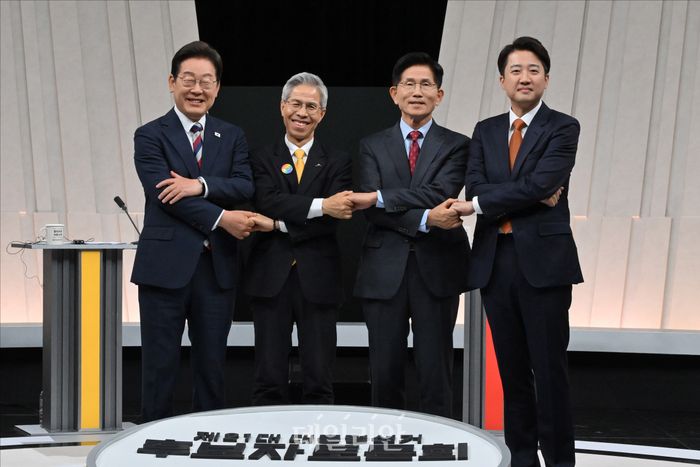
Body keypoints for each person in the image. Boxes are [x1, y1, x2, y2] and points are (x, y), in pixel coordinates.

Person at [451, 37, 582, 467]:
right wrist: (526, 194)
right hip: (496, 261)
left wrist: (491, 200)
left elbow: (543, 183)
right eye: (515, 70)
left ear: (546, 78)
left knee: (549, 370)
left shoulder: (563, 127)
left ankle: (560, 460)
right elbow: (477, 186)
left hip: (544, 264)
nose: (524, 77)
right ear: (502, 80)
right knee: (512, 371)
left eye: (533, 70)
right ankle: (522, 458)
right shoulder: (486, 130)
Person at [131, 41, 256, 422]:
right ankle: (152, 438)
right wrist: (222, 218)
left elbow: (244, 186)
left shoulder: (231, 135)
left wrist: (198, 185)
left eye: (206, 81)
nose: (197, 89)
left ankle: (209, 438)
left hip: (216, 269)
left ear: (217, 88)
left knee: (212, 365)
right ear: (172, 82)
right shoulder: (150, 134)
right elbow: (165, 194)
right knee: (159, 364)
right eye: (188, 79)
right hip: (164, 267)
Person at [349, 52, 470, 418]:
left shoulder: (458, 144)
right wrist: (427, 218)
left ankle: (439, 441)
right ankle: (388, 440)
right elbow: (369, 207)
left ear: (439, 95)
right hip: (384, 268)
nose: (417, 92)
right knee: (384, 368)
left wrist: (382, 196)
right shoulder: (371, 145)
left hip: (438, 266)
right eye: (409, 84)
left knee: (436, 369)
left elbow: (441, 192)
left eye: (426, 85)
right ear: (394, 93)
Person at [243, 72, 352, 405]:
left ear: (322, 114)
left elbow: (335, 217)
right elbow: (267, 201)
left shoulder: (339, 160)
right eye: (295, 104)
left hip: (319, 278)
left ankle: (318, 437)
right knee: (268, 379)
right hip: (269, 276)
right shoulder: (260, 157)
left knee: (319, 379)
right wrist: (321, 206)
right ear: (282, 107)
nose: (302, 113)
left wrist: (277, 224)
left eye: (311, 106)